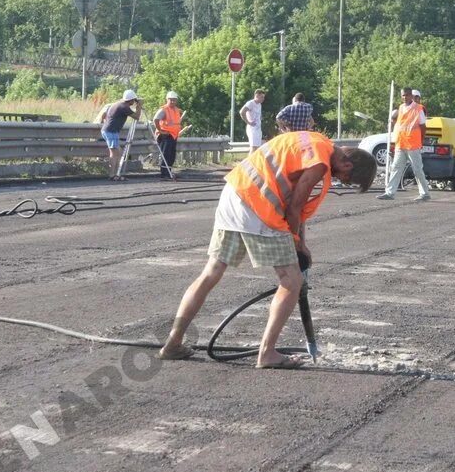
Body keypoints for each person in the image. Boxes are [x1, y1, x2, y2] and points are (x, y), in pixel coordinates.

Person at [158, 131, 377, 367]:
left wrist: (300, 243)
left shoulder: (316, 141)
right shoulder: (320, 163)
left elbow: (296, 201)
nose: (339, 180)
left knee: (212, 271)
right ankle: (267, 353)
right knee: (292, 281)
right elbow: (294, 207)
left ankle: (173, 343)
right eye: (345, 177)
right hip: (259, 206)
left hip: (234, 194)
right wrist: (295, 245)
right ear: (347, 162)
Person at [377, 87, 430, 202]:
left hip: (413, 144)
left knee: (417, 170)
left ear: (411, 95)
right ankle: (389, 193)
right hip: (400, 144)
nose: (405, 97)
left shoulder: (418, 108)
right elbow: (399, 125)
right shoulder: (401, 108)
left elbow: (423, 126)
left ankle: (425, 193)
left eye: (407, 95)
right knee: (395, 168)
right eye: (403, 95)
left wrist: (421, 140)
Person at [99, 90, 143, 181]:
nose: (134, 102)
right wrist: (139, 106)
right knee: (114, 153)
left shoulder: (118, 103)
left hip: (109, 130)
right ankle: (112, 175)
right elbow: (136, 117)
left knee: (118, 151)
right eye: (134, 100)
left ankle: (116, 174)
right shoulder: (124, 107)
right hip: (111, 131)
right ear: (130, 100)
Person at [152, 91, 183, 181]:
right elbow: (156, 119)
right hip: (165, 135)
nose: (173, 102)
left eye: (174, 100)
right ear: (167, 99)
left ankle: (168, 172)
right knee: (165, 155)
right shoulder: (164, 109)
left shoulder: (176, 110)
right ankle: (164, 173)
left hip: (173, 135)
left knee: (171, 155)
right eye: (171, 100)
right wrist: (161, 131)